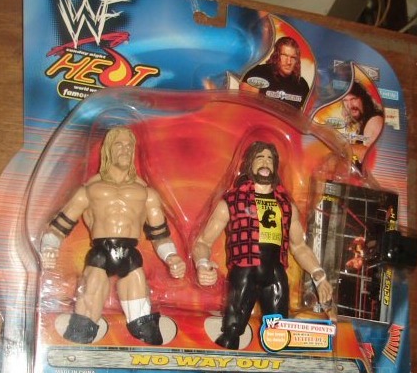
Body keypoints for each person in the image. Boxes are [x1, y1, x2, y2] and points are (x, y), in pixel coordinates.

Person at [40, 127, 186, 345]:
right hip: (100, 254)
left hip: (130, 256)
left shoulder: (147, 194)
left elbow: (160, 236)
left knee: (144, 323)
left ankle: (149, 356)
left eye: (129, 146)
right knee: (85, 317)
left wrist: (171, 256)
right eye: (119, 144)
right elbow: (57, 229)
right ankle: (75, 353)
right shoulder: (89, 190)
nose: (125, 149)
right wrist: (49, 248)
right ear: (108, 149)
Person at [192, 141, 333, 350]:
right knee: (232, 331)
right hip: (244, 272)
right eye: (260, 158)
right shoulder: (233, 201)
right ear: (249, 163)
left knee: (278, 333)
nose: (265, 163)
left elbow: (299, 247)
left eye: (270, 159)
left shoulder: (285, 206)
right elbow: (203, 241)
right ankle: (220, 363)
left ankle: (274, 366)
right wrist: (202, 264)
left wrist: (319, 276)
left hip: (274, 274)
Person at [241, 36, 310, 109]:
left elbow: (307, 113)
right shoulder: (258, 73)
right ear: (276, 55)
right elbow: (245, 106)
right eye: (284, 55)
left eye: (293, 57)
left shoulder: (302, 85)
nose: (289, 62)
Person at [342, 81, 384, 163]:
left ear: (363, 99)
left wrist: (337, 147)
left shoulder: (374, 120)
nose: (350, 106)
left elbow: (370, 155)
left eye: (353, 99)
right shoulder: (362, 122)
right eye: (345, 100)